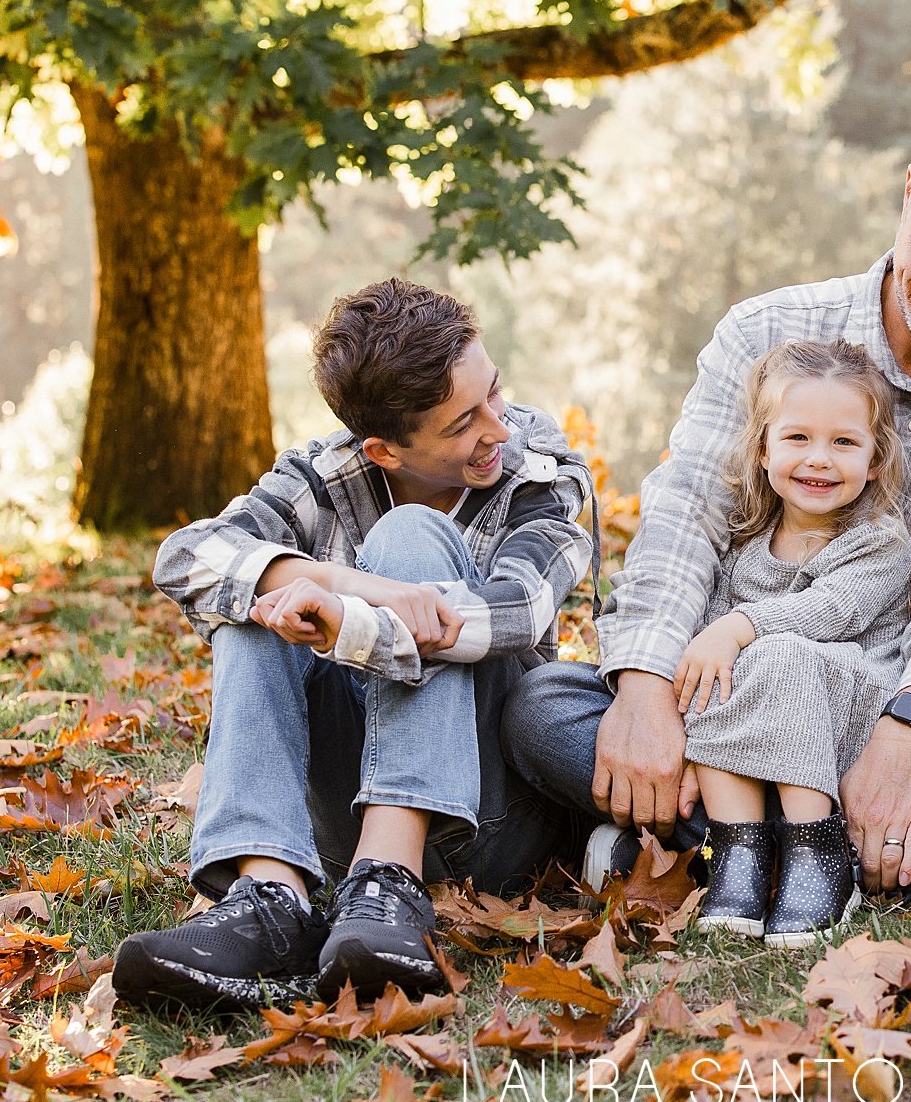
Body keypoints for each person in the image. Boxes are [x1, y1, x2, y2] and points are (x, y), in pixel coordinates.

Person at [502, 107, 911, 903]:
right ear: (906, 193)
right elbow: (685, 517)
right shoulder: (764, 331)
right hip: (734, 698)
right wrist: (647, 691)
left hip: (904, 703)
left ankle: (717, 853)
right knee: (542, 706)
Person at [116, 278, 596, 1009]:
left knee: (405, 539)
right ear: (383, 450)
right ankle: (269, 896)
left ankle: (392, 880)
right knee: (258, 596)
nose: (497, 428)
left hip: (489, 823)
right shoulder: (322, 475)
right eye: (462, 423)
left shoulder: (538, 466)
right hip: (342, 819)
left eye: (492, 393)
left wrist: (348, 621)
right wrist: (347, 585)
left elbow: (516, 612)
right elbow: (185, 556)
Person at [668, 340, 911, 946]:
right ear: (762, 449)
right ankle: (739, 852)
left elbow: (828, 612)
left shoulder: (879, 541)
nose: (820, 460)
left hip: (852, 726)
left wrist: (737, 629)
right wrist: (692, 742)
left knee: (774, 652)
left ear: (876, 459)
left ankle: (816, 856)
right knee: (708, 674)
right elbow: (710, 660)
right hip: (759, 741)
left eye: (844, 442)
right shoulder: (745, 551)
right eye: (798, 438)